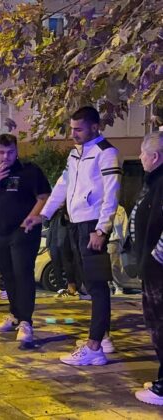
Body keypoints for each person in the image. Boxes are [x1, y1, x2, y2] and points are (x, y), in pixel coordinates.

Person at [24, 106, 121, 366]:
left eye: (78, 129)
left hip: (92, 225)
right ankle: (102, 338)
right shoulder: (75, 153)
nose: (73, 133)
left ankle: (94, 347)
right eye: (71, 128)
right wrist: (42, 215)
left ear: (94, 126)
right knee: (90, 284)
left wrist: (101, 229)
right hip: (77, 224)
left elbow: (111, 194)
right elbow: (62, 185)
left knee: (98, 286)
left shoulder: (106, 153)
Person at [0, 134, 51, 343]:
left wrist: (32, 217)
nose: (5, 157)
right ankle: (15, 316)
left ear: (16, 151)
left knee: (23, 274)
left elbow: (44, 197)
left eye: (10, 152)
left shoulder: (29, 170)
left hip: (23, 232)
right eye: (1, 152)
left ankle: (26, 322)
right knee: (7, 276)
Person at [130, 132, 163, 405]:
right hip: (153, 268)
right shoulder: (154, 182)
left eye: (142, 153)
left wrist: (155, 257)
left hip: (159, 271)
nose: (140, 158)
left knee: (160, 323)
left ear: (155, 157)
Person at [108, 204, 132, 295]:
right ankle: (109, 286)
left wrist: (121, 241)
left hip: (114, 240)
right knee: (104, 265)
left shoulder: (120, 209)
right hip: (102, 239)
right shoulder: (100, 207)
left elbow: (124, 227)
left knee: (115, 265)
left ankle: (118, 287)